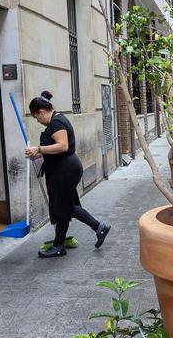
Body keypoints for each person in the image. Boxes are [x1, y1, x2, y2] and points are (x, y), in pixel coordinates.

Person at [24, 91, 110, 258]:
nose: (37, 121)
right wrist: (39, 154)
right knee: (64, 207)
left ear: (41, 112)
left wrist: (39, 149)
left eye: (36, 117)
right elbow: (58, 149)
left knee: (65, 207)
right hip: (63, 169)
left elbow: (63, 146)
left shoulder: (56, 123)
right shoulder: (56, 120)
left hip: (65, 171)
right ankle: (59, 245)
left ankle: (98, 227)